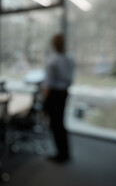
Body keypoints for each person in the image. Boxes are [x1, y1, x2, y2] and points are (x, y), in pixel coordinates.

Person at [43, 34, 75, 163]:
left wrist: (45, 99)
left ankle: (61, 155)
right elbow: (70, 78)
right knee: (60, 123)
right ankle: (65, 152)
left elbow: (48, 84)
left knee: (56, 125)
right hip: (64, 92)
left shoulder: (53, 60)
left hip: (54, 95)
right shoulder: (70, 58)